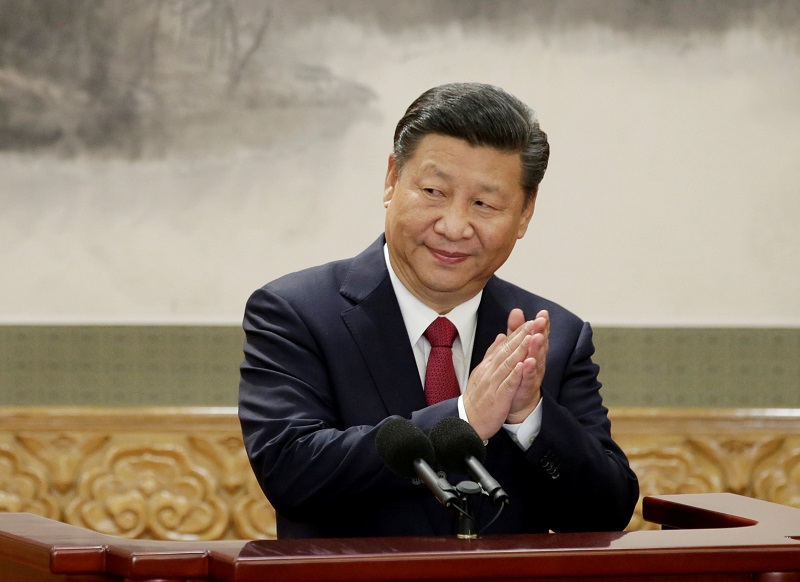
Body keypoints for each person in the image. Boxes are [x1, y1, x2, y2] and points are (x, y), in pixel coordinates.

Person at [239, 82, 639, 539]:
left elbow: (608, 512)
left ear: (525, 213)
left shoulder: (552, 336)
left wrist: (530, 416)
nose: (453, 226)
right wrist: (464, 418)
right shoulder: (296, 313)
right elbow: (290, 472)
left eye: (484, 204)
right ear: (392, 179)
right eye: (433, 191)